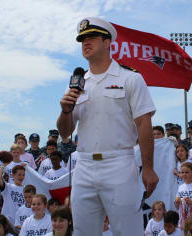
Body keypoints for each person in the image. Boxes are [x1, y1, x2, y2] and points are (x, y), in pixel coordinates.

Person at [57, 17, 158, 236]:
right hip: (83, 166)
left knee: (128, 231)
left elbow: (144, 123)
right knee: (84, 232)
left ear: (107, 42)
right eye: (82, 39)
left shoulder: (130, 78)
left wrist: (148, 168)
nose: (85, 42)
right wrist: (65, 111)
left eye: (91, 37)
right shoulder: (78, 82)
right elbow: (65, 132)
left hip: (119, 164)